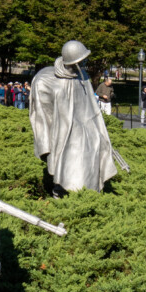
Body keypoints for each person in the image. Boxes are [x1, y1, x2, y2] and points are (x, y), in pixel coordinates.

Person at [30, 40, 127, 195]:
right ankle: (62, 194)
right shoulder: (46, 81)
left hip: (88, 133)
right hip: (64, 134)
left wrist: (101, 135)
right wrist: (46, 144)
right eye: (82, 60)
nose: (85, 63)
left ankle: (88, 196)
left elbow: (92, 108)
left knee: (89, 167)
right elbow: (43, 115)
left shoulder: (82, 76)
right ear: (73, 62)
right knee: (66, 169)